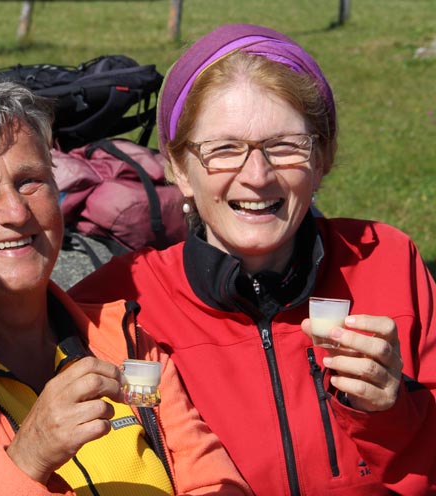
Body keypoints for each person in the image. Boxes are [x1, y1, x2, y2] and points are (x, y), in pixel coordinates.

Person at [69, 23, 436, 495]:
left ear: (322, 157)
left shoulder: (386, 261)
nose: (257, 176)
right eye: (224, 149)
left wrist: (392, 411)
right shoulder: (117, 301)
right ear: (179, 169)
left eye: (284, 146)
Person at [0, 74, 251, 495]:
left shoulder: (127, 341)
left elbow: (215, 482)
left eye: (30, 180)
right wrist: (29, 457)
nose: (16, 212)